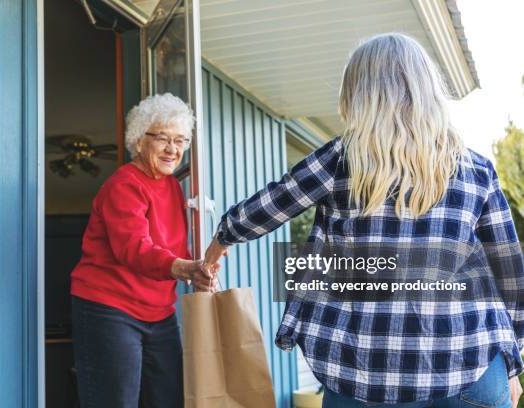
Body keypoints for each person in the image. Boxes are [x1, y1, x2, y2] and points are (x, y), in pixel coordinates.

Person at [204, 33, 524, 407]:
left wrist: (218, 242)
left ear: (358, 92)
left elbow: (269, 205)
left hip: (360, 372)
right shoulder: (476, 169)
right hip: (469, 368)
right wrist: (513, 360)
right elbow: (511, 274)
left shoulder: (340, 160)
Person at [70, 93, 215, 408]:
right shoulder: (124, 185)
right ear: (138, 141)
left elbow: (172, 249)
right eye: (162, 138)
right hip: (110, 309)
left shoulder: (173, 187)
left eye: (180, 141)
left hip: (159, 312)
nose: (172, 149)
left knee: (171, 399)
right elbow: (133, 248)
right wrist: (181, 267)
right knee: (115, 401)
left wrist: (200, 267)